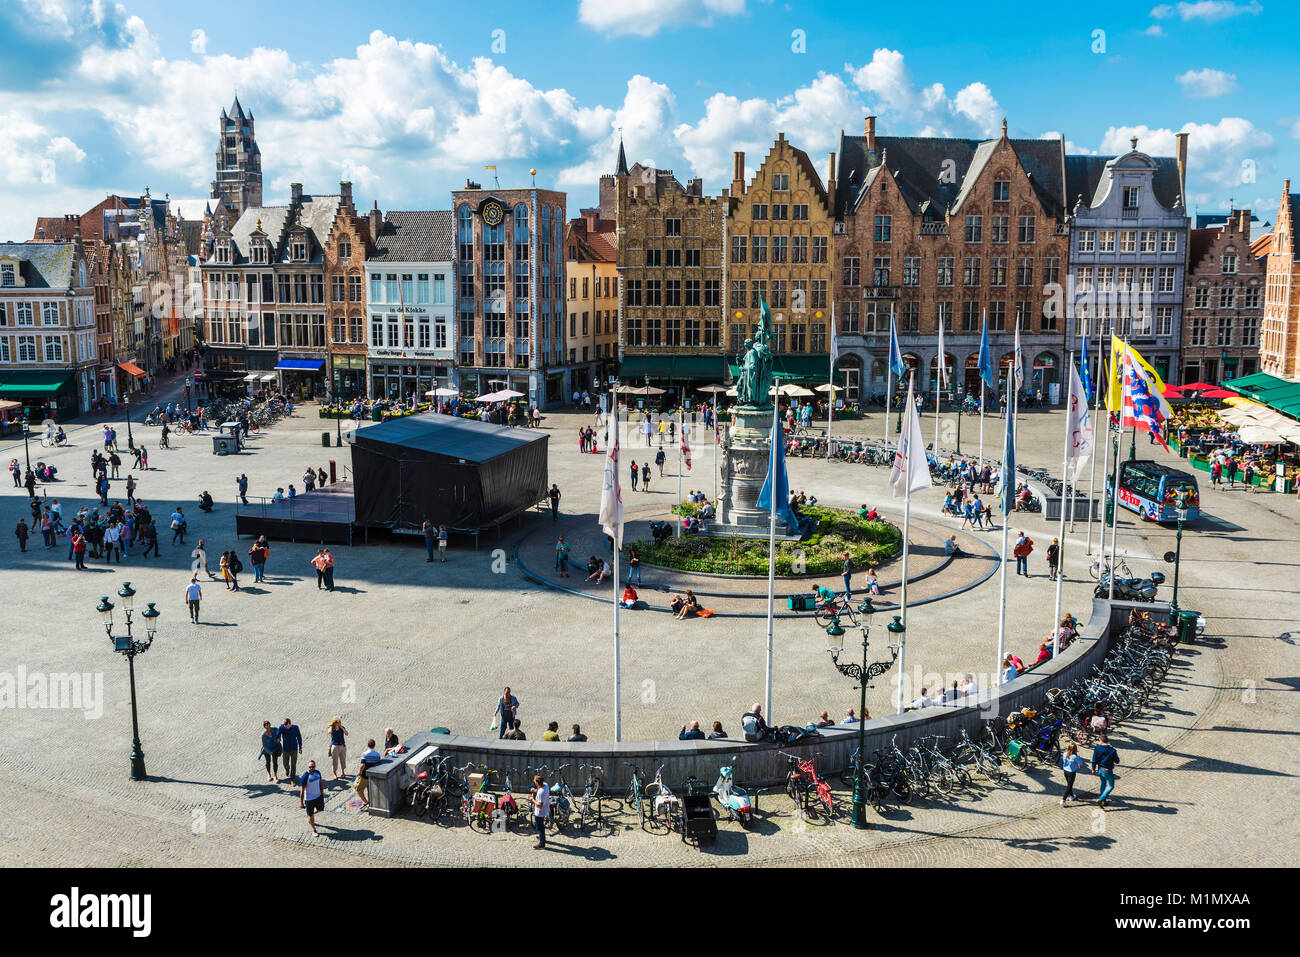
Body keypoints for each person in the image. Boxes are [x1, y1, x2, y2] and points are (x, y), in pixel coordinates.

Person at [1092, 733, 1120, 809]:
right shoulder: (1112, 750)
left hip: (1100, 769)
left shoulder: (1097, 748)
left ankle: (1104, 801)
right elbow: (1117, 761)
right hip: (1108, 770)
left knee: (1103, 784)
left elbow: (1094, 760)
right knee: (1111, 786)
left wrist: (1093, 769)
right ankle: (1101, 799)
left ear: (1101, 740)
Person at [354, 740, 383, 808]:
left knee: (358, 789)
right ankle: (369, 802)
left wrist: (359, 773)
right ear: (374, 745)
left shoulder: (365, 754)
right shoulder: (377, 755)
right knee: (370, 791)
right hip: (372, 776)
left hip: (364, 776)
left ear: (367, 745)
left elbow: (362, 765)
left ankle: (366, 802)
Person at [299, 760, 325, 835]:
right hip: (309, 799)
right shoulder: (305, 776)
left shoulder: (318, 773)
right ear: (308, 767)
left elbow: (320, 783)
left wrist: (322, 793)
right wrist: (301, 802)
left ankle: (310, 815)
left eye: (313, 767)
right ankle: (314, 829)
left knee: (320, 809)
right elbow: (302, 790)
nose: (311, 768)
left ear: (315, 766)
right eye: (310, 767)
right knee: (311, 816)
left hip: (318, 796)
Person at [1060, 742, 1085, 806]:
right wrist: (1079, 757)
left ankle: (1071, 796)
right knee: (1069, 786)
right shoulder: (1074, 757)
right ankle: (1063, 800)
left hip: (1065, 771)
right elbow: (1081, 763)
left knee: (1069, 784)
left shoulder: (1064, 754)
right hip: (1072, 772)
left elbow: (1064, 761)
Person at [530, 774, 551, 850]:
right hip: (545, 809)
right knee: (541, 826)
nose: (534, 783)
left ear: (538, 783)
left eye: (535, 781)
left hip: (540, 812)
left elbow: (540, 804)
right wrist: (534, 790)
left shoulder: (541, 792)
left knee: (540, 827)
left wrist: (532, 800)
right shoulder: (546, 785)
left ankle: (542, 844)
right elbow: (540, 789)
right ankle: (541, 837)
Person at [279, 718, 303, 782]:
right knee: (285, 763)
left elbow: (299, 737)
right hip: (286, 749)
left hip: (294, 749)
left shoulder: (295, 728)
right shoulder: (282, 727)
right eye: (284, 724)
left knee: (293, 764)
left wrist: (300, 747)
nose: (284, 726)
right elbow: (278, 733)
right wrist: (278, 738)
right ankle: (287, 769)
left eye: (285, 724)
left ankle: (292, 778)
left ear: (289, 724)